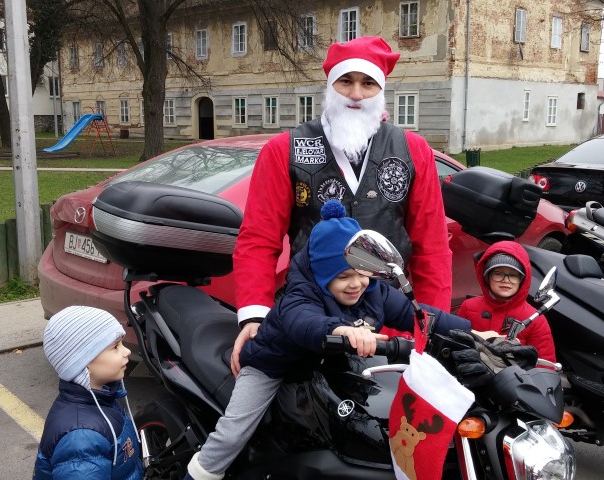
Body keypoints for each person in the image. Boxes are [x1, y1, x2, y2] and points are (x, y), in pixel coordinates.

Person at [185, 200, 473, 480]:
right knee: (233, 431)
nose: (356, 284)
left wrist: (471, 334)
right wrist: (343, 330)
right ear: (323, 274)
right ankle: (200, 473)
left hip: (326, 365)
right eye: (344, 276)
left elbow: (418, 316)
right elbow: (304, 323)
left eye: (361, 273)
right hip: (274, 367)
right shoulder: (300, 295)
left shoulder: (373, 291)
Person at [230, 36, 453, 374]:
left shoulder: (413, 150)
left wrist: (430, 328)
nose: (356, 94)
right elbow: (258, 240)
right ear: (330, 86)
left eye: (368, 83)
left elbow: (432, 247)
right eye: (346, 81)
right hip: (310, 318)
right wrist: (254, 315)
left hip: (390, 320)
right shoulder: (283, 150)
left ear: (381, 90)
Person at [34, 306, 143, 480]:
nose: (127, 351)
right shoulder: (81, 440)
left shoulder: (104, 397)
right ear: (82, 361)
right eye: (116, 346)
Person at [455, 241, 556, 363]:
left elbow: (545, 365)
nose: (506, 280)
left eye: (513, 275)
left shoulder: (536, 319)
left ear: (523, 279)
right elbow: (454, 343)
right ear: (486, 277)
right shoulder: (468, 307)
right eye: (498, 274)